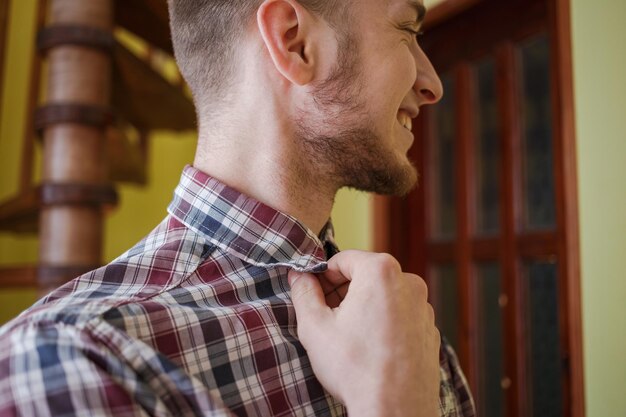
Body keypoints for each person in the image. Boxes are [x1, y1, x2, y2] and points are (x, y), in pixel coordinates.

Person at [0, 0, 475, 415]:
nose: (433, 83)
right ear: (294, 43)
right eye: (407, 31)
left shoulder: (399, 326)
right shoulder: (70, 358)